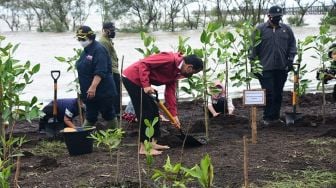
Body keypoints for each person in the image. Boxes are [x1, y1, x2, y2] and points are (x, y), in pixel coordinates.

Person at [122, 52, 203, 155]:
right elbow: (144, 64)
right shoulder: (169, 59)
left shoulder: (176, 72)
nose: (191, 76)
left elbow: (170, 93)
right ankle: (144, 148)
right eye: (193, 73)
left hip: (142, 83)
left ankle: (152, 143)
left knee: (154, 111)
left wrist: (173, 115)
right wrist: (146, 85)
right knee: (146, 113)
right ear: (189, 67)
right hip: (132, 78)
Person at [249, 5, 297, 126]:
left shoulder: (286, 29)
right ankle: (267, 118)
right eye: (274, 16)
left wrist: (290, 60)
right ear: (268, 16)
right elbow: (252, 48)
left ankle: (275, 117)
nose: (277, 18)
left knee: (278, 93)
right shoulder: (259, 29)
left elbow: (292, 45)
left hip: (282, 67)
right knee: (269, 93)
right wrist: (253, 65)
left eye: (279, 17)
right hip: (265, 68)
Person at [75, 25, 118, 129]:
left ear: (90, 37)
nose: (80, 41)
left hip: (102, 90)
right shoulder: (86, 50)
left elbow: (100, 71)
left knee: (108, 113)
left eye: (82, 38)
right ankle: (83, 136)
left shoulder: (99, 49)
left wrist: (93, 87)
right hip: (89, 92)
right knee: (90, 115)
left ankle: (114, 135)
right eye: (79, 38)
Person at [99, 22, 121, 117]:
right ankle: (115, 113)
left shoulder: (108, 40)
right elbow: (104, 58)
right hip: (111, 71)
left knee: (116, 92)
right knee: (114, 93)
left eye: (114, 30)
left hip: (114, 69)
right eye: (111, 30)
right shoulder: (103, 42)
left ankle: (116, 112)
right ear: (105, 30)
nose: (113, 32)